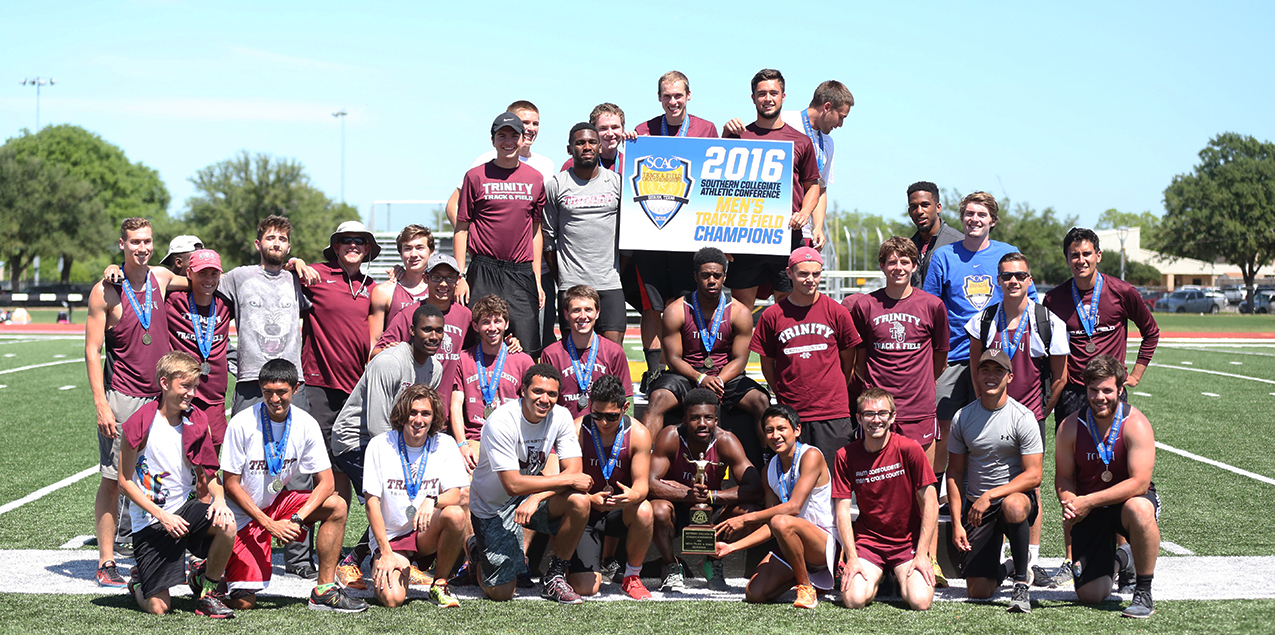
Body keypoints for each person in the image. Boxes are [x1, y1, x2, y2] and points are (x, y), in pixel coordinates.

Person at [923, 191, 1036, 575]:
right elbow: (933, 307)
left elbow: (1030, 303)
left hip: (997, 359)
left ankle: (1023, 544)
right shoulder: (944, 255)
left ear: (993, 220)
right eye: (969, 213)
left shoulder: (1007, 253)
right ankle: (936, 497)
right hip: (955, 357)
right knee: (944, 430)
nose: (974, 219)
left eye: (981, 214)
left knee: (1005, 437)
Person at [1042, 227, 1160, 588]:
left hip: (1109, 393)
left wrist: (1135, 374)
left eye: (1086, 254)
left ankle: (1122, 556)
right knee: (1073, 477)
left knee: (1117, 469)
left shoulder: (1122, 292)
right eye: (1074, 255)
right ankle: (1071, 556)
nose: (1081, 261)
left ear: (1099, 256)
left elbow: (1151, 331)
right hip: (1074, 393)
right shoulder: (1055, 299)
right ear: (1067, 260)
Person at [219, 359, 367, 613]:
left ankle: (324, 591)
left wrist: (297, 519)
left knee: (337, 505)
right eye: (268, 392)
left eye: (282, 392)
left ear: (295, 388)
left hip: (277, 506)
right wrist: (268, 524)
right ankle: (208, 573)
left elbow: (327, 482)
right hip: (242, 513)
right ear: (260, 388)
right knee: (244, 603)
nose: (275, 399)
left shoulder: (305, 423)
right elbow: (230, 484)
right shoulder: (242, 423)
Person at [966, 252, 1070, 585]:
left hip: (1029, 416)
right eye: (1006, 276)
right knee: (984, 475)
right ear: (998, 281)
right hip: (988, 413)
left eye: (1019, 276)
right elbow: (973, 368)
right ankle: (994, 555)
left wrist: (1039, 411)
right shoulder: (983, 320)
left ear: (1030, 281)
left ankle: (1030, 560)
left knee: (1030, 485)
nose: (1013, 281)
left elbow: (1060, 377)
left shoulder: (1048, 321)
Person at [85, 217, 176, 587]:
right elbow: (92, 352)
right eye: (135, 242)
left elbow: (206, 277)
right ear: (121, 243)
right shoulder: (105, 291)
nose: (143, 247)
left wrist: (294, 264)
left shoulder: (162, 278)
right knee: (112, 480)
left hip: (162, 399)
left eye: (148, 241)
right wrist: (101, 405)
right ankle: (107, 561)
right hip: (122, 397)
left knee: (163, 477)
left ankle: (154, 553)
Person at [330, 303, 447, 588]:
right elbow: (377, 424)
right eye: (426, 330)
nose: (433, 336)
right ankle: (351, 562)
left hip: (396, 443)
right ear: (411, 331)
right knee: (387, 499)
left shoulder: (435, 368)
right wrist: (404, 463)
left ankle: (395, 558)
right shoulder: (389, 362)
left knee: (411, 496)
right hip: (356, 440)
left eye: (438, 331)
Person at [117, 351, 234, 617]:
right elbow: (124, 482)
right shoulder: (140, 424)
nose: (192, 393)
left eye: (195, 386)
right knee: (159, 608)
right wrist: (162, 516)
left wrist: (219, 499)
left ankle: (207, 592)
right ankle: (137, 582)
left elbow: (211, 471)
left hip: (185, 512)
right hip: (152, 522)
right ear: (164, 382)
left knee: (227, 523)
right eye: (185, 386)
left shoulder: (197, 420)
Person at [468, 364, 593, 603]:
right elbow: (513, 485)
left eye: (552, 394)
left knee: (579, 501)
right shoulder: (501, 421)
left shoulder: (562, 416)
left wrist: (536, 498)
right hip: (493, 508)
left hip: (530, 495)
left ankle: (555, 576)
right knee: (502, 593)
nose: (545, 399)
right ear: (522, 390)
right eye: (537, 391)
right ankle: (476, 550)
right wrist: (565, 480)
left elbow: (575, 470)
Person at [625, 71, 717, 393]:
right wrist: (626, 144)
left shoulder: (706, 129)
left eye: (678, 95)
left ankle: (685, 367)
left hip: (688, 236)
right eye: (667, 95)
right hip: (650, 232)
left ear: (689, 96)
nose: (673, 101)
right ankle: (653, 372)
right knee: (652, 306)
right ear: (659, 97)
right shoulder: (641, 131)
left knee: (682, 303)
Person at [643, 247, 770, 468]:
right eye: (705, 275)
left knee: (760, 400)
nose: (711, 281)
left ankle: (769, 460)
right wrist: (700, 378)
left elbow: (740, 359)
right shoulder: (676, 310)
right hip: (686, 375)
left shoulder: (740, 312)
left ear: (724, 277)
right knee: (658, 398)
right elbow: (673, 358)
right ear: (695, 277)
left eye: (716, 276)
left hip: (724, 377)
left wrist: (719, 379)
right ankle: (642, 460)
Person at [1055, 355, 1160, 619]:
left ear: (1120, 390)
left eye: (1107, 390)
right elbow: (1064, 477)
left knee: (1140, 509)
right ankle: (1122, 559)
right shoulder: (1070, 426)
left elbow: (1140, 482)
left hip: (1126, 502)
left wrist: (1088, 501)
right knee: (1090, 594)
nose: (1099, 397)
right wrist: (1070, 502)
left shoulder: (1135, 423)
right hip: (1091, 510)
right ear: (1085, 388)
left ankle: (1144, 592)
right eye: (1093, 390)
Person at [946, 349, 1044, 613]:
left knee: (1012, 505)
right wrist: (957, 522)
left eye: (998, 371)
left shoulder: (1022, 417)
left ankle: (1021, 583)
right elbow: (954, 473)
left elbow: (1034, 475)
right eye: (985, 370)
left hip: (1013, 500)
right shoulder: (963, 417)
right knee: (979, 591)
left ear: (1009, 377)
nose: (991, 376)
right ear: (976, 374)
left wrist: (991, 495)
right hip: (978, 508)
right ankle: (1011, 565)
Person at [712, 404, 837, 609]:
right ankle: (809, 579)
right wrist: (732, 547)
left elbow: (794, 507)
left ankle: (806, 587)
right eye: (769, 430)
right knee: (755, 593)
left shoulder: (810, 456)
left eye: (782, 429)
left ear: (796, 430)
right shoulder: (769, 469)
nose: (775, 435)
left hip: (822, 544)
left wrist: (745, 518)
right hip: (791, 542)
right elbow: (771, 526)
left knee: (782, 520)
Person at [722, 68, 823, 311]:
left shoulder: (801, 140)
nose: (768, 98)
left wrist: (805, 213)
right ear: (753, 98)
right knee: (740, 313)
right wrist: (721, 235)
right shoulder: (738, 136)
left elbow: (813, 187)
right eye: (762, 93)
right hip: (745, 238)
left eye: (773, 93)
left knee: (788, 310)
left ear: (783, 97)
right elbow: (720, 189)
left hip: (787, 236)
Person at [362, 385, 469, 608]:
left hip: (424, 532)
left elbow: (455, 495)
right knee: (392, 599)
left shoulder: (445, 444)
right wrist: (385, 552)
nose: (418, 419)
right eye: (413, 412)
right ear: (402, 413)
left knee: (456, 515)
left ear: (434, 417)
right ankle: (400, 567)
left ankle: (439, 583)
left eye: (425, 413)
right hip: (392, 538)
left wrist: (433, 500)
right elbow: (372, 504)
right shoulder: (380, 445)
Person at [833, 388, 938, 611]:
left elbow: (931, 502)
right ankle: (881, 577)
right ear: (859, 418)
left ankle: (897, 575)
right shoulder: (845, 455)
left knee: (920, 601)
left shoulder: (910, 448)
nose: (876, 420)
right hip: (869, 542)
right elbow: (842, 509)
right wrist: (851, 557)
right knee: (854, 600)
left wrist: (922, 554)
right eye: (869, 414)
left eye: (882, 413)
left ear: (893, 417)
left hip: (907, 542)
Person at [750, 247, 859, 461]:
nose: (810, 280)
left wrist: (833, 390)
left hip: (832, 412)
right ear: (789, 273)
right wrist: (784, 393)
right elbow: (767, 365)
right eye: (803, 274)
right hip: (792, 413)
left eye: (816, 274)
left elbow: (849, 362)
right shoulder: (772, 315)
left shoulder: (837, 312)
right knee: (793, 480)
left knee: (833, 481)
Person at [454, 112, 548, 359]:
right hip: (484, 270)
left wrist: (537, 279)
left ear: (522, 138)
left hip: (521, 272)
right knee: (477, 343)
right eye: (502, 135)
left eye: (514, 135)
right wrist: (460, 276)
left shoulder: (535, 178)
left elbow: (536, 231)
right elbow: (462, 228)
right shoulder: (475, 176)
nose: (508, 141)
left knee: (527, 349)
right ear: (493, 139)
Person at [648, 388, 761, 592]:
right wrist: (685, 494)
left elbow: (754, 488)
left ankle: (711, 561)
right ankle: (671, 566)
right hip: (678, 506)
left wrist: (711, 495)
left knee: (750, 512)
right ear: (684, 420)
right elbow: (649, 482)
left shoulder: (726, 441)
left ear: (716, 420)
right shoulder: (671, 436)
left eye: (708, 418)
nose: (702, 424)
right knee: (657, 510)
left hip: (710, 509)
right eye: (695, 418)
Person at [849, 236, 948, 452]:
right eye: (892, 262)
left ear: (914, 266)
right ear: (882, 266)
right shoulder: (865, 305)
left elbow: (940, 358)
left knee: (922, 480)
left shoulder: (932, 305)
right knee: (878, 477)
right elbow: (859, 359)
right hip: (877, 407)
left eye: (905, 262)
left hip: (919, 406)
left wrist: (922, 382)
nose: (898, 268)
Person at [566, 375, 655, 600]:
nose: (603, 423)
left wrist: (633, 495)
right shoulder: (577, 430)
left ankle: (632, 577)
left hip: (619, 510)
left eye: (611, 417)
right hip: (586, 512)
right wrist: (589, 498)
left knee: (644, 509)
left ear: (625, 408)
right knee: (586, 588)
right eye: (596, 415)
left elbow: (642, 485)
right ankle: (569, 565)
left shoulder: (639, 433)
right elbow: (567, 482)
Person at [218, 215, 315, 416]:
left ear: (289, 247)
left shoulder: (298, 279)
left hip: (292, 378)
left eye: (282, 239)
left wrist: (298, 262)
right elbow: (204, 284)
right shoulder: (238, 277)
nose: (276, 244)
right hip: (251, 378)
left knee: (296, 443)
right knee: (244, 442)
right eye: (270, 238)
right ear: (257, 244)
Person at [543, 124, 625, 344]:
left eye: (591, 142)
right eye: (580, 143)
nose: (586, 147)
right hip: (571, 285)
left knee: (612, 354)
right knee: (575, 356)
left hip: (610, 283)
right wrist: (562, 277)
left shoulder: (617, 183)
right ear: (570, 149)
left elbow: (627, 236)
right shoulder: (556, 185)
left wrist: (616, 270)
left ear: (600, 147)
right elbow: (548, 238)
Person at [451, 294, 536, 470]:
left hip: (511, 440)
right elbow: (456, 405)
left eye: (497, 321)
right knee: (466, 492)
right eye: (485, 322)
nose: (492, 327)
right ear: (475, 326)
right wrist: (462, 445)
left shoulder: (523, 360)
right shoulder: (463, 359)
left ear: (506, 324)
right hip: (475, 441)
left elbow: (533, 405)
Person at [164, 249, 233, 448]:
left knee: (211, 464)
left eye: (214, 273)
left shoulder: (226, 303)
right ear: (189, 273)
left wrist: (295, 262)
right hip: (181, 395)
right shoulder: (173, 300)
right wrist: (116, 268)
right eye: (202, 273)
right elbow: (147, 275)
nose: (208, 279)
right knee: (179, 461)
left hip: (214, 398)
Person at [780, 80, 853, 251]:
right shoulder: (784, 120)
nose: (840, 125)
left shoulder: (828, 142)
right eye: (841, 117)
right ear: (827, 107)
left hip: (802, 231)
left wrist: (818, 226)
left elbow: (821, 188)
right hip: (773, 225)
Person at [540, 285, 632, 419]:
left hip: (603, 429)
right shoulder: (551, 354)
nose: (583, 316)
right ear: (566, 314)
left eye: (588, 310)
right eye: (576, 310)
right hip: (564, 430)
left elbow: (626, 397)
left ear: (598, 312)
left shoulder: (614, 352)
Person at [369, 224, 433, 342]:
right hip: (396, 358)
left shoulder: (441, 289)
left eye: (420, 248)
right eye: (408, 248)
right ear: (400, 253)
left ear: (431, 252)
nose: (414, 254)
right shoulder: (384, 291)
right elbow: (374, 340)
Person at [907, 181, 963, 288]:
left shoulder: (958, 244)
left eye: (925, 205)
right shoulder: (908, 247)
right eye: (914, 207)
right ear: (909, 212)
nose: (919, 211)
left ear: (938, 207)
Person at [561, 103, 627, 174]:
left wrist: (631, 147)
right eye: (603, 128)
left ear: (623, 129)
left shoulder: (631, 164)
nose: (610, 133)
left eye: (615, 127)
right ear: (593, 132)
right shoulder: (574, 165)